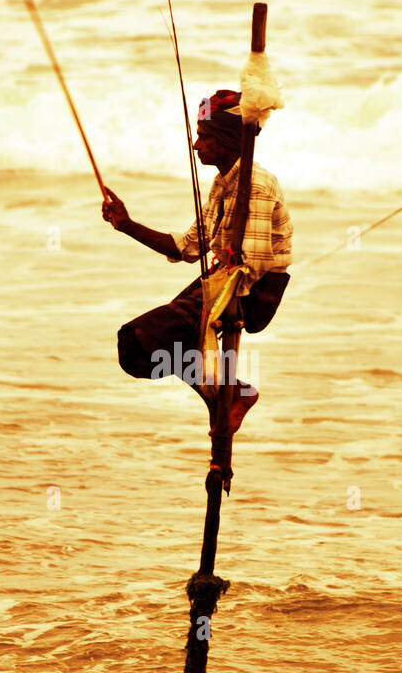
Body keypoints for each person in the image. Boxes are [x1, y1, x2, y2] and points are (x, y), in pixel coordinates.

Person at [103, 89, 292, 434]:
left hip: (253, 291)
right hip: (224, 277)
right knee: (134, 350)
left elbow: (258, 261)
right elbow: (189, 246)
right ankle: (225, 393)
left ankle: (229, 392)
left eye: (204, 137)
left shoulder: (257, 185)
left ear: (227, 138)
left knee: (142, 335)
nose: (196, 145)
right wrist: (126, 225)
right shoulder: (223, 184)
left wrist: (215, 313)